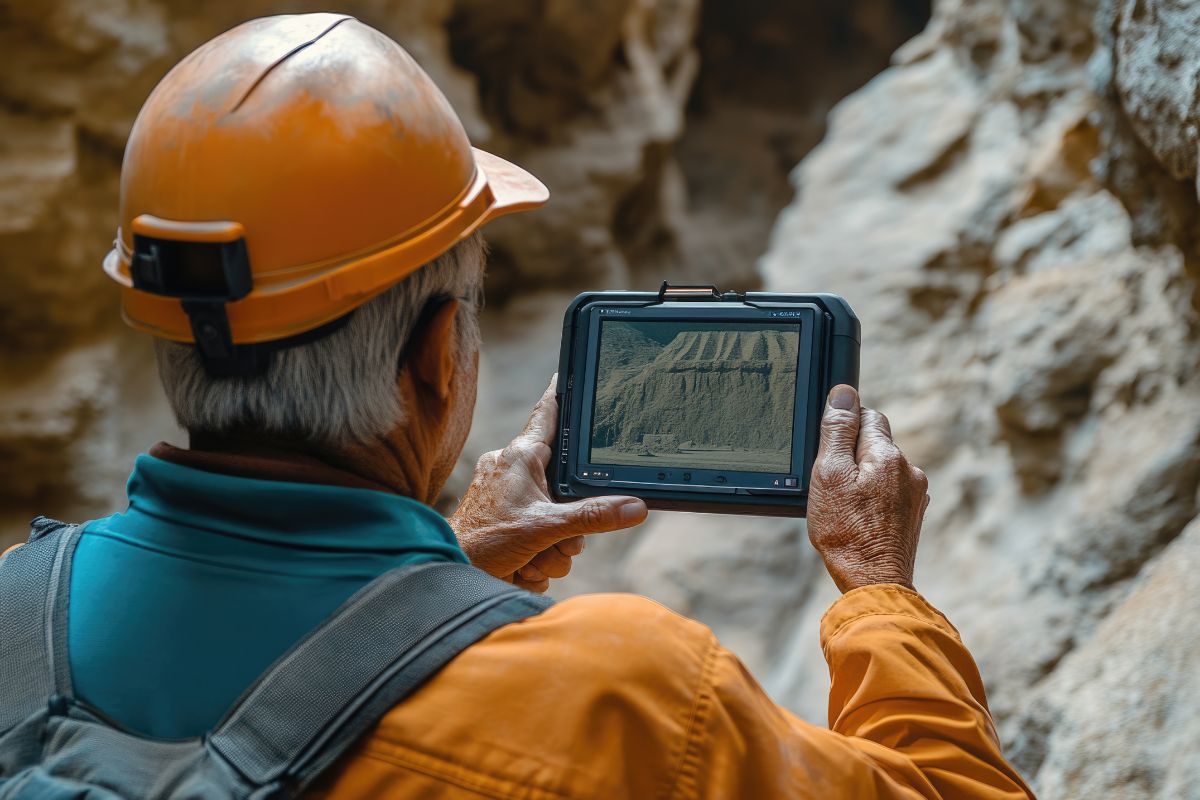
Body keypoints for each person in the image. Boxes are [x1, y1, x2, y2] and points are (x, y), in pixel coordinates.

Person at [0, 13, 1033, 799]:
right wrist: (877, 586)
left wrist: (438, 579)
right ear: (439, 360)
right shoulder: (629, 699)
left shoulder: (17, 608)